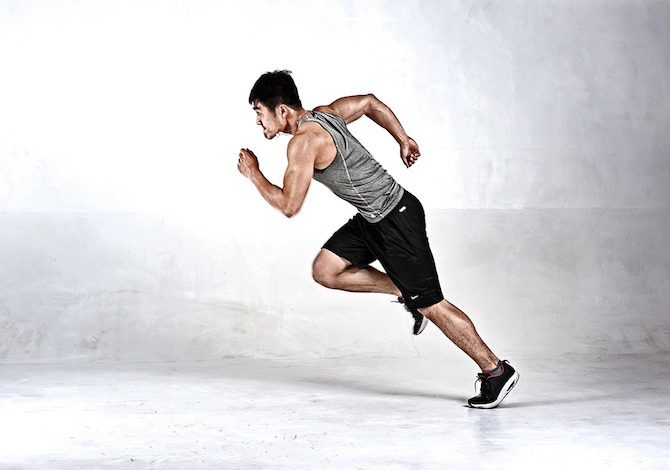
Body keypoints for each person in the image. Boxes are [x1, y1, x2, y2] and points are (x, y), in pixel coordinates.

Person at [237, 70, 519, 408]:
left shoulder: (303, 143)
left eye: (259, 111)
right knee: (326, 269)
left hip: (396, 218)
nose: (258, 120)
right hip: (372, 218)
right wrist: (403, 139)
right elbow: (369, 103)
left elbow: (289, 205)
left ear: (282, 110)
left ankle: (495, 370)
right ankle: (404, 292)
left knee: (432, 304)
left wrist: (254, 174)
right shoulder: (326, 113)